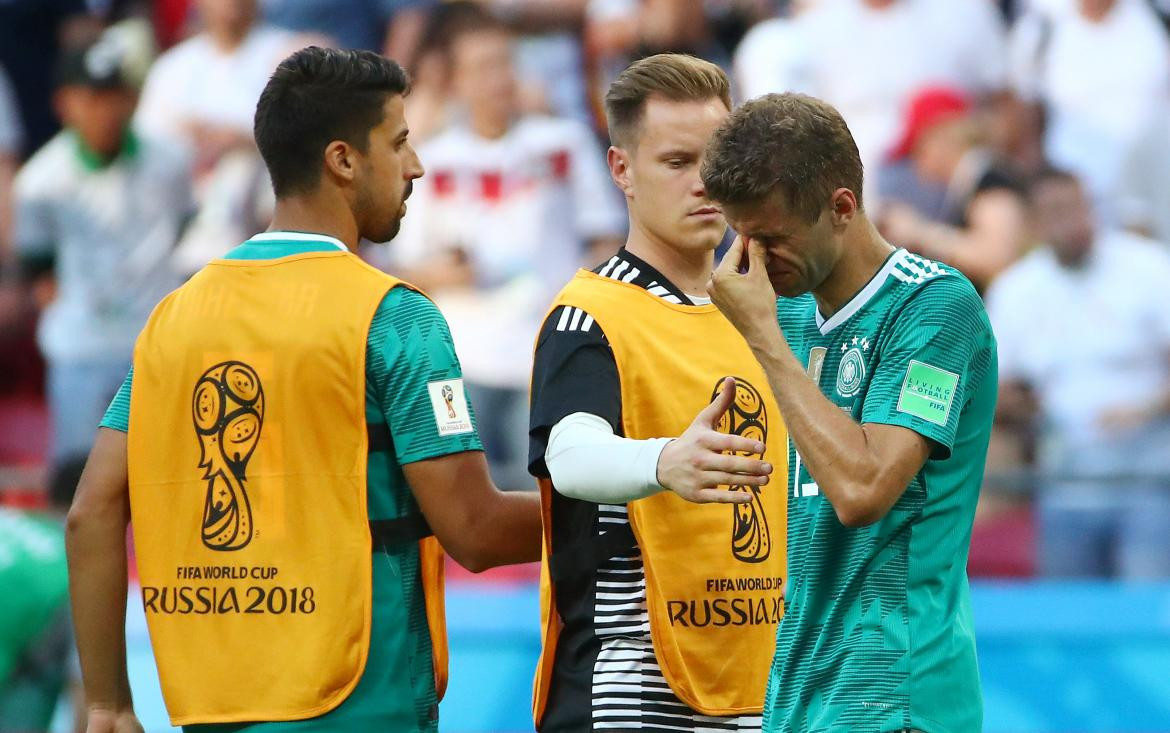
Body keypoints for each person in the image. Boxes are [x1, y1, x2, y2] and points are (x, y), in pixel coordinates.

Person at [65, 47, 541, 733]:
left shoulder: (176, 317)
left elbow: (90, 512)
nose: (417, 166)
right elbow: (474, 528)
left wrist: (109, 704)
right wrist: (630, 503)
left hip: (213, 710)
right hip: (365, 708)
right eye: (400, 143)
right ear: (343, 160)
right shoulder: (395, 317)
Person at [703, 92, 997, 732]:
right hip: (798, 695)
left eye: (772, 238)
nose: (751, 259)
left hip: (899, 696)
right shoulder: (784, 311)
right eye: (741, 234)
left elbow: (863, 490)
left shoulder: (935, 309)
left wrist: (763, 341)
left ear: (842, 207)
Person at [529, 54, 784, 732]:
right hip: (632, 698)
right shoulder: (590, 314)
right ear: (621, 170)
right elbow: (571, 453)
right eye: (677, 162)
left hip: (761, 692)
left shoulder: (772, 310)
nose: (705, 183)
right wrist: (663, 462)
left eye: (718, 159)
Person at [388, 12, 624, 491]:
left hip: (542, 352)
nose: (498, 79)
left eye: (504, 64)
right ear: (455, 82)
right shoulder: (434, 157)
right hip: (463, 357)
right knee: (461, 498)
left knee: (542, 494)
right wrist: (455, 272)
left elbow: (605, 238)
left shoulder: (562, 143)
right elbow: (406, 265)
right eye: (482, 67)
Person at [13, 33, 191, 478]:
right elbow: (39, 268)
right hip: (82, 348)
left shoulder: (170, 162)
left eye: (114, 96)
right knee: (79, 480)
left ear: (131, 99)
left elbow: (189, 230)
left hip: (156, 343)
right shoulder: (41, 182)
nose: (105, 111)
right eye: (91, 98)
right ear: (65, 103)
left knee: (168, 477)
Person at [985, 168, 1170, 579]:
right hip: (1064, 475)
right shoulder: (1016, 290)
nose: (1071, 221)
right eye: (1054, 212)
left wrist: (1147, 408)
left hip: (1149, 474)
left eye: (1076, 207)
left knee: (1147, 609)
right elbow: (996, 389)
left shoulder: (1148, 267)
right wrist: (1019, 404)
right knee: (1068, 613)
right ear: (1034, 223)